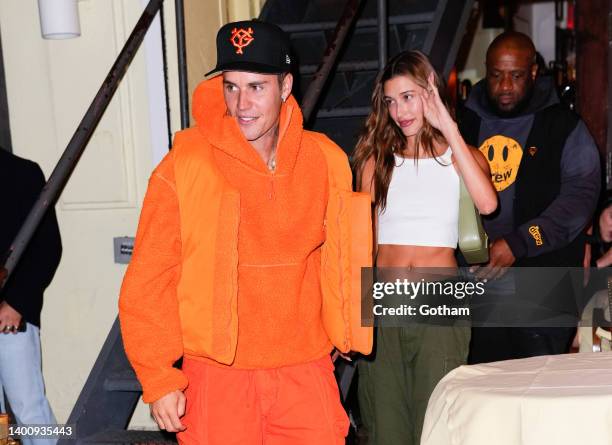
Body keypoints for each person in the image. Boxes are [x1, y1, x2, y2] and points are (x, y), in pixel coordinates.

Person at [118, 20, 372, 445]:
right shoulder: (184, 165)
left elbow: (344, 257)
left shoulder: (325, 160)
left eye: (256, 87)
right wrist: (159, 376)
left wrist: (347, 322)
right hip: (217, 375)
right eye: (231, 86)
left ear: (286, 86)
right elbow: (150, 276)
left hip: (304, 370)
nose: (241, 104)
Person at [353, 50, 497, 445]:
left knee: (436, 424)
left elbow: (487, 203)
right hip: (384, 300)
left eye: (409, 96)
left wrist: (448, 128)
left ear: (430, 92)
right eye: (390, 101)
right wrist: (352, 312)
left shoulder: (459, 156)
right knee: (386, 426)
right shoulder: (375, 160)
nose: (399, 110)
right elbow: (362, 244)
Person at [458, 31, 600, 363]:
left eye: (516, 75)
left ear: (534, 72)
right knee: (485, 389)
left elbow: (579, 200)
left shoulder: (563, 126)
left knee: (537, 388)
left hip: (544, 284)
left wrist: (520, 241)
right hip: (478, 284)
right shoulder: (463, 124)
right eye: (496, 75)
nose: (505, 85)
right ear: (485, 71)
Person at [0, 148, 62, 445]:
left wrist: (18, 303)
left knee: (30, 411)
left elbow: (47, 246)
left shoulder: (22, 173)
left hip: (11, 317)